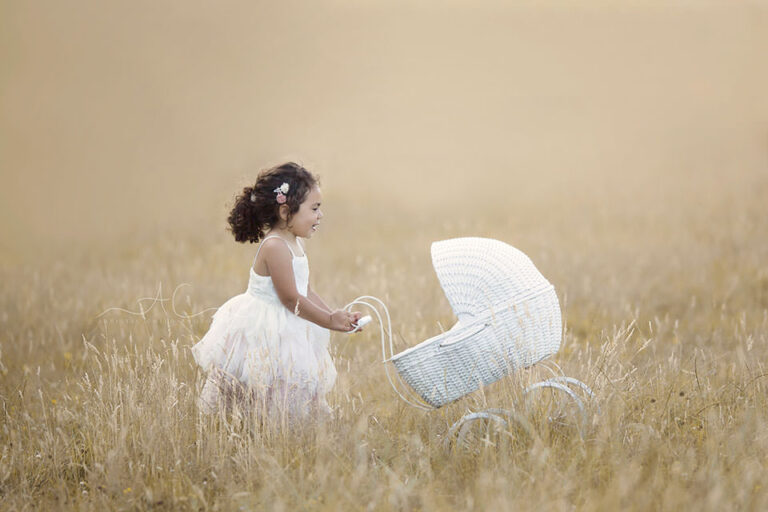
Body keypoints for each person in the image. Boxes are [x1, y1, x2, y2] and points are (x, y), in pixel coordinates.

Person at [191, 162, 361, 423]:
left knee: (289, 388)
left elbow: (305, 290)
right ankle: (256, 431)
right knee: (261, 386)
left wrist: (336, 316)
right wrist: (328, 322)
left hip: (288, 323)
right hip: (265, 327)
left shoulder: (295, 242)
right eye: (314, 209)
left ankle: (286, 432)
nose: (320, 215)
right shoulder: (275, 246)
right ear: (285, 211)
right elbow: (291, 299)